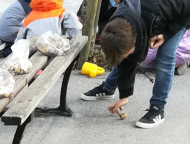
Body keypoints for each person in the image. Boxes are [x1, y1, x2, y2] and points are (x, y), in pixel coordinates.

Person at [81, 0, 190, 128]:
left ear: (134, 44)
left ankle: (158, 108)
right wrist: (124, 95)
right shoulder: (118, 20)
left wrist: (166, 33)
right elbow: (127, 60)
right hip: (153, 17)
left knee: (165, 58)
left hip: (179, 13)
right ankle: (108, 88)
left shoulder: (159, 11)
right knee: (122, 52)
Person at [15, 0, 81, 40]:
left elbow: (18, 41)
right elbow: (75, 29)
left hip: (32, 56)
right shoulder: (63, 14)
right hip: (56, 55)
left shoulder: (27, 19)